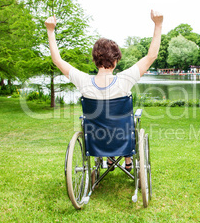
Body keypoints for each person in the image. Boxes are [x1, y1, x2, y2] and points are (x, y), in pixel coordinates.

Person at [44, 10, 163, 172]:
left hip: (96, 143)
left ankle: (109, 157)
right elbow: (151, 56)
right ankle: (127, 160)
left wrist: (50, 31)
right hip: (122, 140)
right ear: (115, 61)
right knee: (128, 122)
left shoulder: (84, 82)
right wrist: (158, 24)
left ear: (95, 60)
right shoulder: (124, 80)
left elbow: (57, 60)